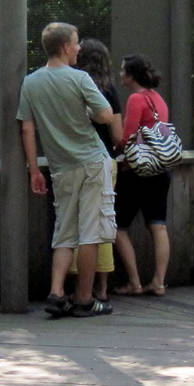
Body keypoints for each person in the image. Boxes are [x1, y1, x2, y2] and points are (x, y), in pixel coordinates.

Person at [18, 22, 122, 317]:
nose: (79, 49)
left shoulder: (31, 82)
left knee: (64, 231)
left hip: (59, 167)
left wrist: (33, 170)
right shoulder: (80, 79)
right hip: (91, 162)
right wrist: (89, 112)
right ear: (65, 47)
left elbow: (27, 127)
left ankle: (55, 291)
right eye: (76, 44)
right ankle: (84, 300)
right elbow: (105, 115)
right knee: (90, 233)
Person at [113, 54, 173, 296]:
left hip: (136, 172)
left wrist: (116, 149)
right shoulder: (158, 99)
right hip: (160, 169)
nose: (120, 75)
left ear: (130, 75)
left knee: (118, 227)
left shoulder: (136, 99)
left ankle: (135, 282)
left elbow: (127, 137)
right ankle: (159, 281)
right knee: (158, 226)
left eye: (122, 71)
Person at [70, 37, 120, 302]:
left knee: (74, 226)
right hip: (104, 161)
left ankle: (78, 287)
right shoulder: (109, 90)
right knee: (102, 223)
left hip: (71, 160)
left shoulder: (70, 87)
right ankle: (100, 287)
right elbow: (118, 134)